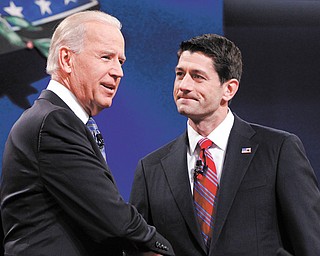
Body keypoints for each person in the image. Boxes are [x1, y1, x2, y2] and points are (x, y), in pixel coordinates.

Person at [0, 10, 174, 256]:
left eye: (120, 61)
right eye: (106, 57)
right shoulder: (53, 123)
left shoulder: (61, 120)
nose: (118, 72)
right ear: (66, 59)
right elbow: (113, 216)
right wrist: (162, 247)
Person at [129, 34, 320, 255]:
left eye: (198, 77)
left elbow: (310, 242)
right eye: (180, 74)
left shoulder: (277, 150)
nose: (184, 85)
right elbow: (137, 248)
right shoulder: (151, 168)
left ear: (228, 89)